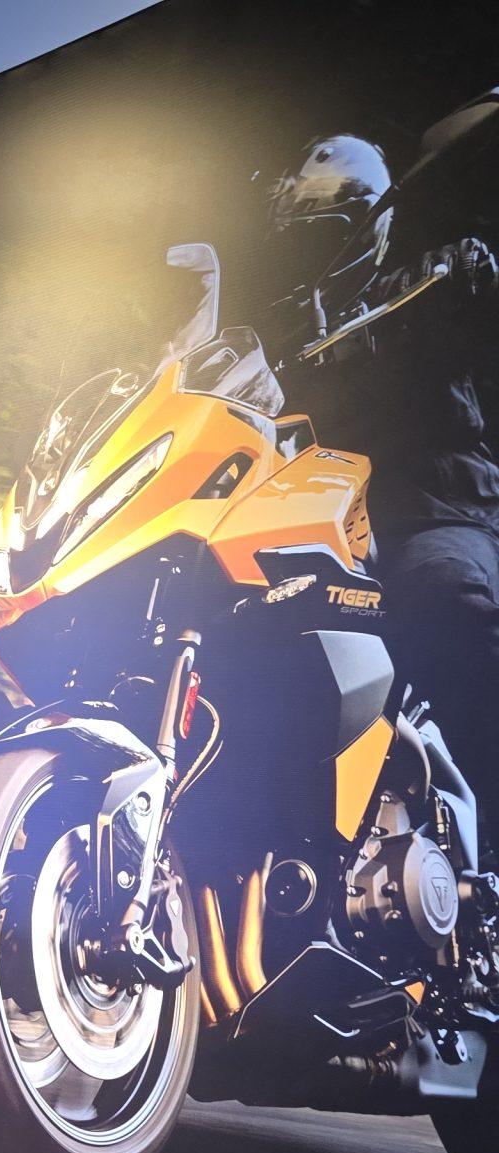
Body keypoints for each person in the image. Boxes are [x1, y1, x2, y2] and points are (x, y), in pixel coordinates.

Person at [267, 111, 499, 848]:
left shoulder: (422, 286)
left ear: (366, 224)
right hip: (332, 534)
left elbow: (475, 322)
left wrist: (472, 271)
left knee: (447, 597)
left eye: (326, 227)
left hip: (432, 512)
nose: (312, 245)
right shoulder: (281, 338)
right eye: (300, 230)